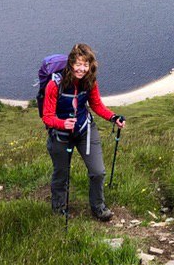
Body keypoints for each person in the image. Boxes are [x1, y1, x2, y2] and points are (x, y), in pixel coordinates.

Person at [42, 43, 125, 221]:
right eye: (78, 64)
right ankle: (59, 209)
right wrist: (62, 124)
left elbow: (96, 104)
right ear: (71, 63)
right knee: (61, 174)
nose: (82, 69)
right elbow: (47, 117)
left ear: (90, 65)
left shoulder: (90, 81)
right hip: (60, 135)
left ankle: (98, 207)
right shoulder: (54, 85)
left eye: (85, 65)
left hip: (84, 129)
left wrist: (113, 117)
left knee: (98, 171)